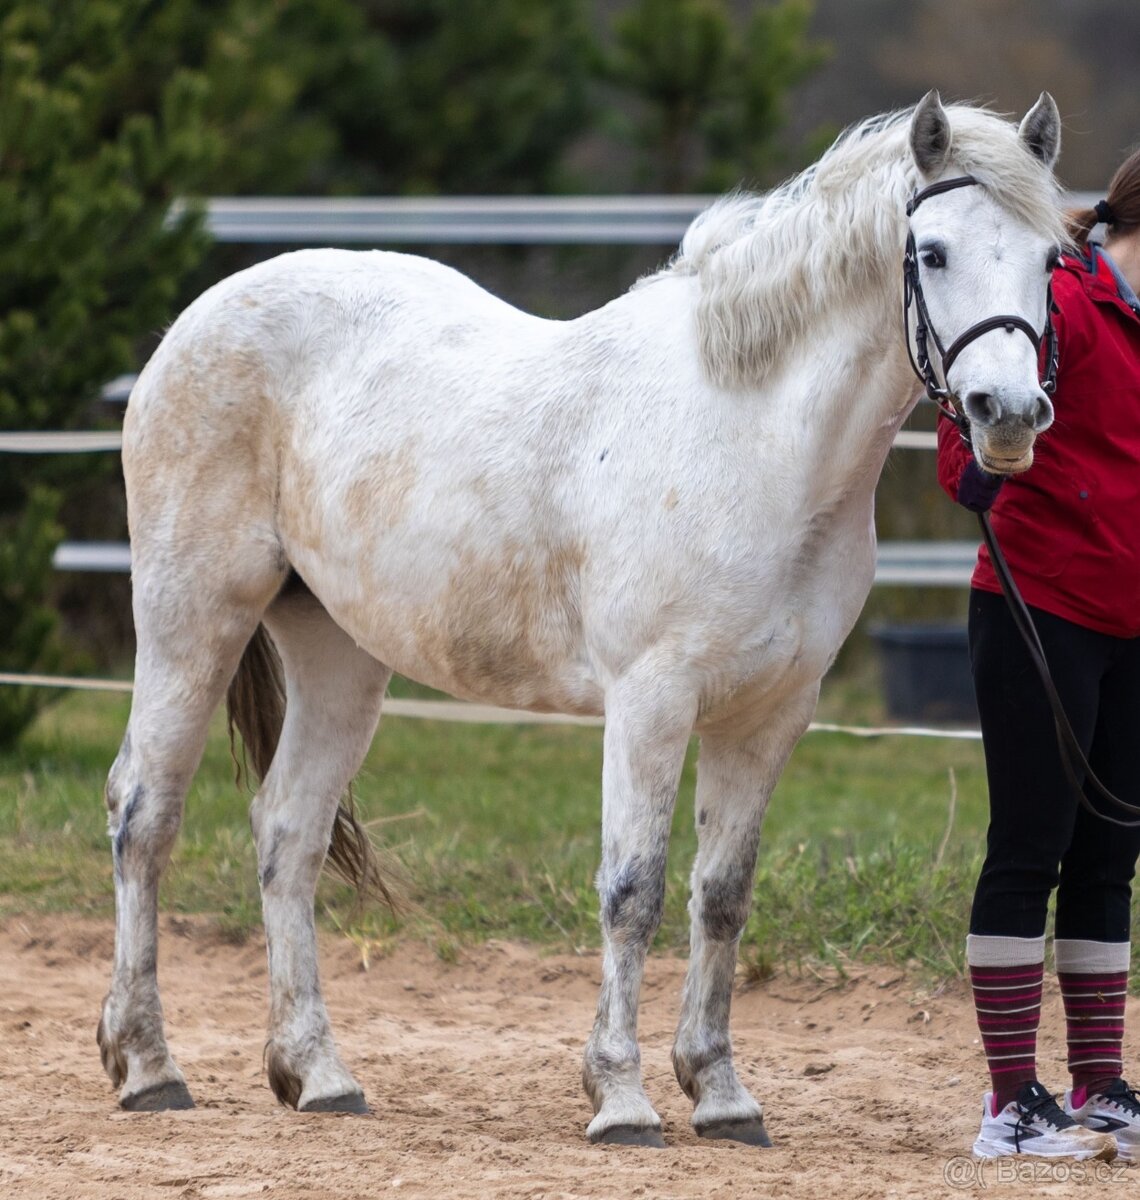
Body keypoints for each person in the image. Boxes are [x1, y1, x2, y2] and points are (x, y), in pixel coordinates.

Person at [937, 145, 1140, 1162]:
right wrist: (973, 467)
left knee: (1111, 859)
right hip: (1040, 602)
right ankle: (1009, 1103)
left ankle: (1099, 1084)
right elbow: (967, 408)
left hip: (1132, 620)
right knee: (1031, 846)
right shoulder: (1060, 297)